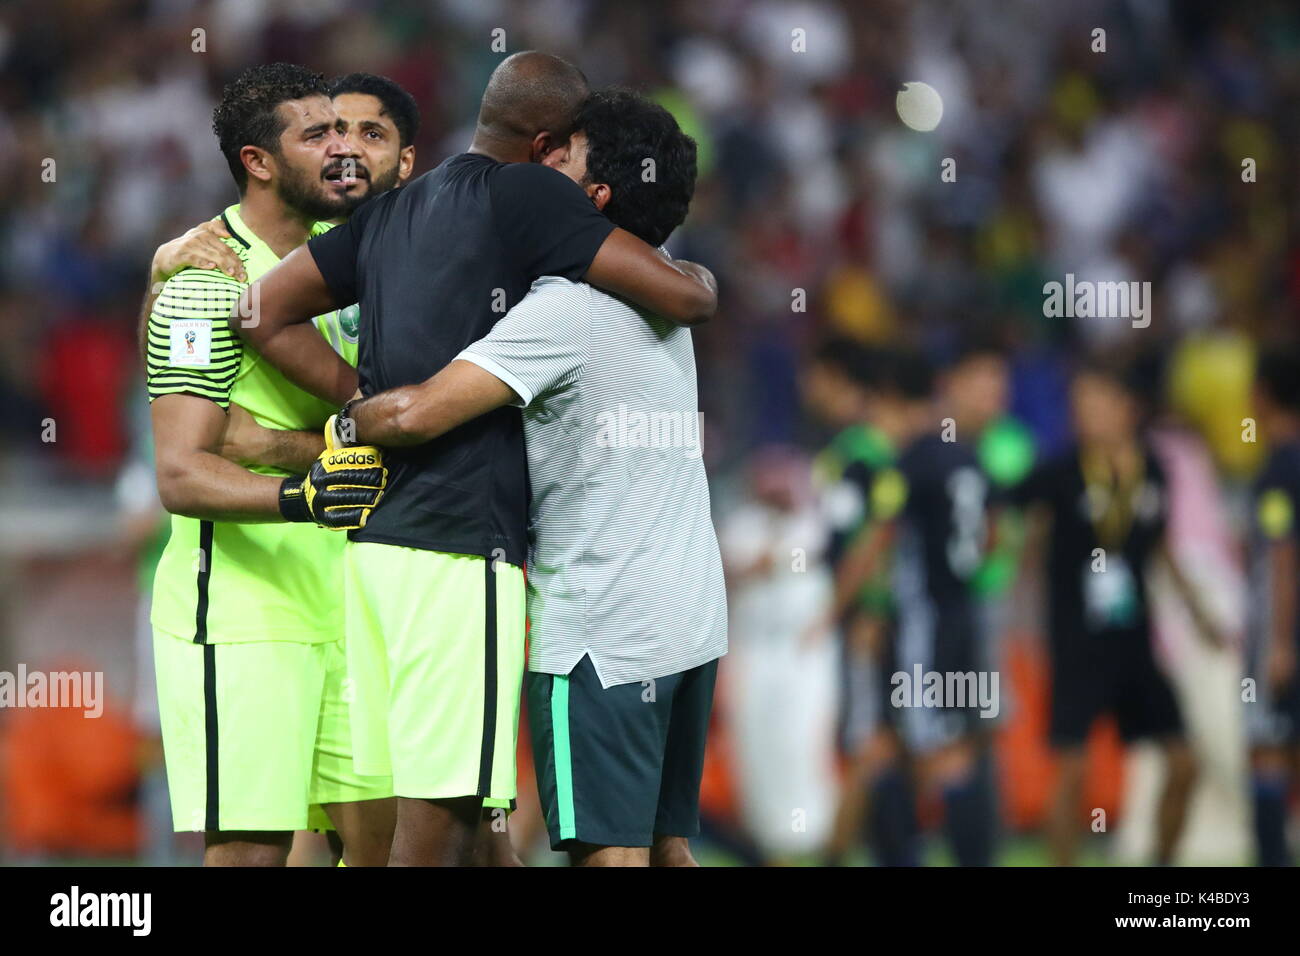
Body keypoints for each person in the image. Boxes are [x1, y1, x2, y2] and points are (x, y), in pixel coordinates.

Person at [236, 54, 719, 866]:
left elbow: (259, 313)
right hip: (463, 550)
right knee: (442, 828)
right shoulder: (531, 200)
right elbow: (685, 297)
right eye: (573, 149)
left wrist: (360, 391)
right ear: (547, 145)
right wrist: (373, 408)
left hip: (373, 548)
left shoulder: (392, 211)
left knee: (453, 829)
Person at [143, 63, 392, 867]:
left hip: (355, 608)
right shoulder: (200, 284)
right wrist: (305, 491)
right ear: (258, 160)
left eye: (350, 131)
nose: (344, 149)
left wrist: (292, 446)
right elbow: (181, 473)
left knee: (387, 848)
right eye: (317, 135)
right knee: (253, 854)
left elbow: (386, 419)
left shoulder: (356, 265)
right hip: (244, 617)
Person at [1009, 358, 1222, 865]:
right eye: (1079, 406)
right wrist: (1019, 611)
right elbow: (1020, 535)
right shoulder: (1057, 473)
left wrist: (1198, 612)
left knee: (1183, 761)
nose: (1086, 415)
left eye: (1098, 403)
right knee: (1072, 769)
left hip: (1134, 642)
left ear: (1128, 408)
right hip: (1076, 643)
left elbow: (1160, 548)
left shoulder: (1152, 470)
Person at [1244, 347, 1300, 865]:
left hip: (1280, 631)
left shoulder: (1277, 473)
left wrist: (1279, 643)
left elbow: (1281, 554)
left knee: (1266, 749)